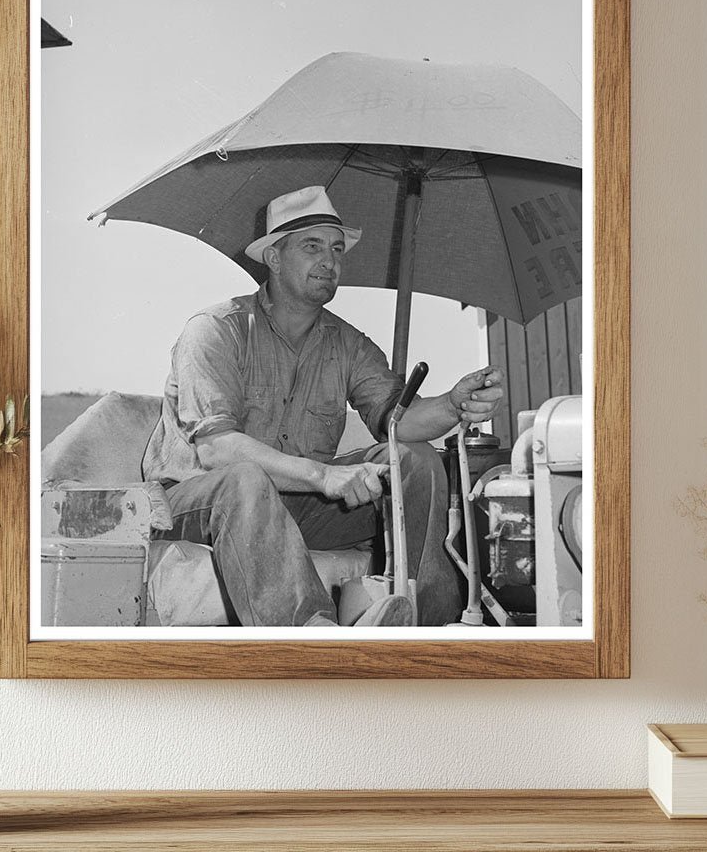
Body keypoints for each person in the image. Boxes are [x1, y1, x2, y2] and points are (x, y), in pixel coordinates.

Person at [143, 186, 504, 627]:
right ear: (273, 258)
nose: (330, 261)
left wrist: (453, 404)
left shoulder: (347, 344)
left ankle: (424, 620)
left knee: (414, 459)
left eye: (336, 249)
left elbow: (397, 423)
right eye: (312, 247)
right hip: (192, 504)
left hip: (293, 503)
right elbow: (217, 450)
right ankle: (313, 634)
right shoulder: (216, 330)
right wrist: (324, 475)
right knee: (245, 479)